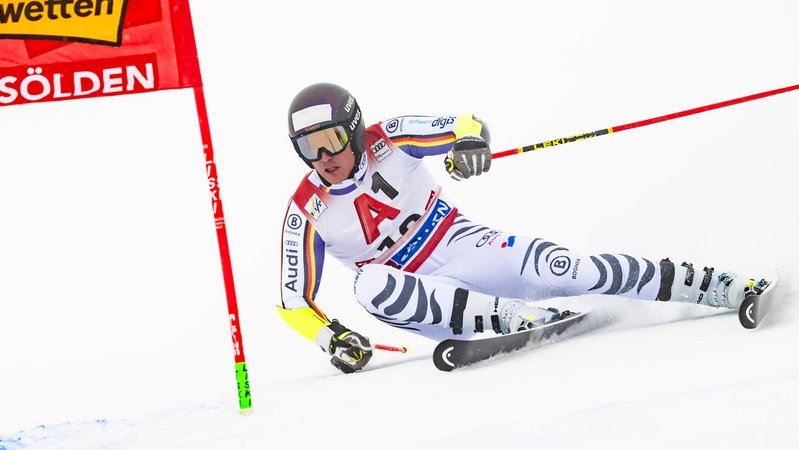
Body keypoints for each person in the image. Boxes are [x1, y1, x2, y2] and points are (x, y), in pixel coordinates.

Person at [277, 82, 770, 374]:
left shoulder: (392, 137)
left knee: (569, 268)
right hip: (417, 291)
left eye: (332, 139)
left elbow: (464, 122)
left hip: (459, 242)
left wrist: (470, 143)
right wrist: (333, 340)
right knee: (369, 284)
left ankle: (722, 287)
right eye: (308, 147)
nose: (323, 157)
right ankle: (514, 318)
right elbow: (293, 300)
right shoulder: (306, 211)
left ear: (356, 129)